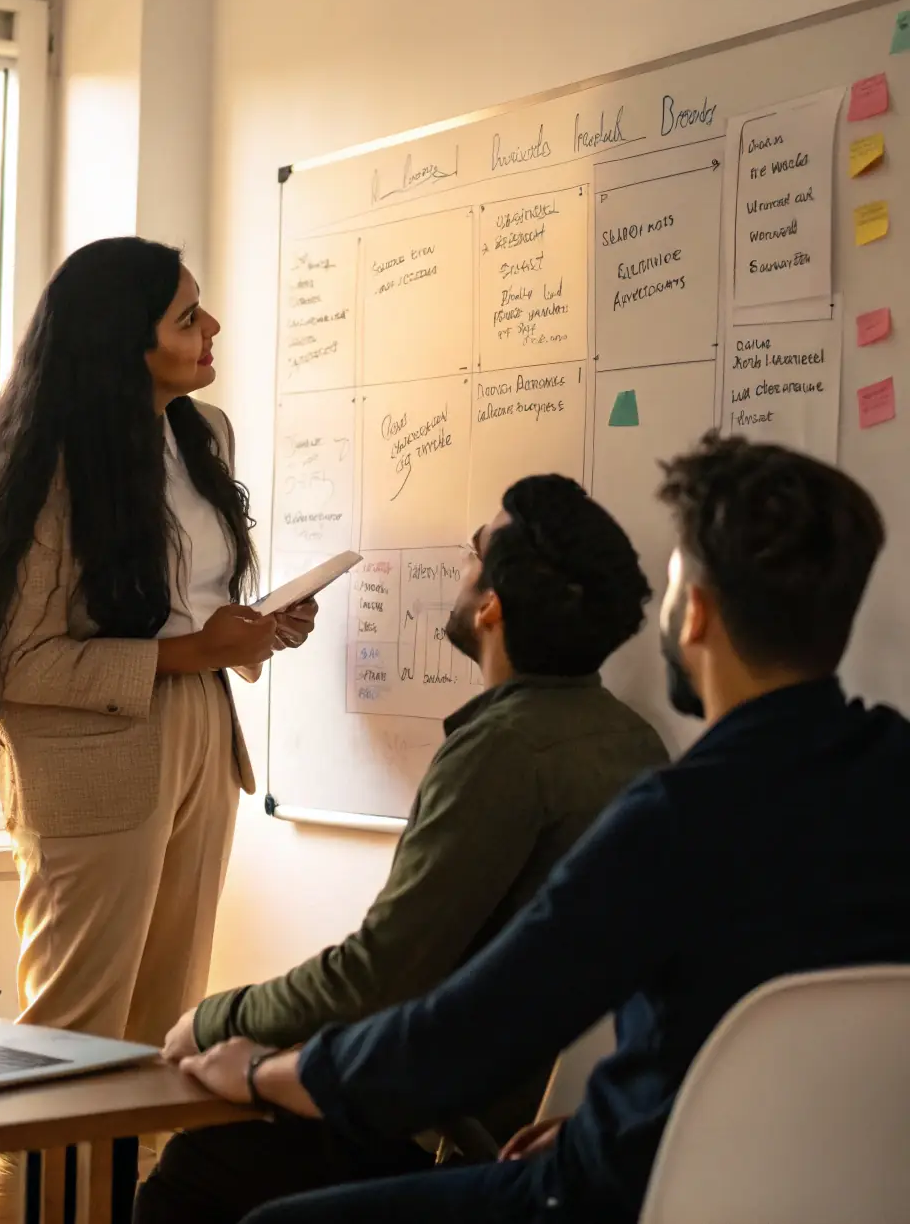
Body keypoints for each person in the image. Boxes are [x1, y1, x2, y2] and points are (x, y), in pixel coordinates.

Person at [171, 432, 910, 1224]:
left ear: (695, 612)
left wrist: (263, 1072)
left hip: (627, 1194)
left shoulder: (673, 820)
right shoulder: (889, 773)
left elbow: (461, 1039)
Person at [135, 474, 667, 1223]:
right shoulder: (633, 741)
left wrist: (214, 1019)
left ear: (491, 606)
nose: (460, 563)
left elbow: (377, 975)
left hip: (458, 1123)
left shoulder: (504, 751)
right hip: (574, 1112)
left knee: (205, 1158)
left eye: (472, 552)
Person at [0, 237, 318, 1224]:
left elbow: (187, 611)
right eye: (187, 316)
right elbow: (16, 665)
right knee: (61, 1067)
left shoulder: (206, 435)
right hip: (89, 760)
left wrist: (249, 633)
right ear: (124, 339)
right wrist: (188, 653)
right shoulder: (50, 462)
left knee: (158, 1056)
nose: (212, 329)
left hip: (199, 734)